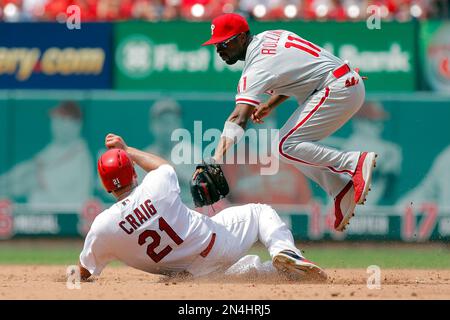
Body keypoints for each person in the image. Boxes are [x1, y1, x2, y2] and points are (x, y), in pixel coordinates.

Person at [200, 13, 377, 231]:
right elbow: (296, 74)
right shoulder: (271, 36)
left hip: (337, 88)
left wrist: (215, 159)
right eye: (216, 44)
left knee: (285, 145)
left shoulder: (256, 67)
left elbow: (239, 117)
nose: (219, 49)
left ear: (243, 37)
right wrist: (269, 105)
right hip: (343, 84)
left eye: (224, 42)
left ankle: (353, 163)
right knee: (284, 147)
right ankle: (340, 188)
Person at [77, 133, 327, 282]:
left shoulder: (103, 227)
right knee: (260, 212)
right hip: (217, 245)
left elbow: (84, 271)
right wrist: (126, 149)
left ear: (105, 184)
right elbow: (162, 166)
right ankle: (286, 253)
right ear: (133, 172)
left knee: (244, 272)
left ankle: (283, 272)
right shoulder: (156, 186)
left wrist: (67, 280)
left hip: (191, 276)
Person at [0, 101, 93, 210]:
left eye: (62, 120)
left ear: (76, 124)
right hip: (42, 219)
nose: (56, 124)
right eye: (55, 119)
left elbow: (34, 180)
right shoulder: (57, 147)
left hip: (67, 219)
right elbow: (28, 167)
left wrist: (7, 188)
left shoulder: (80, 156)